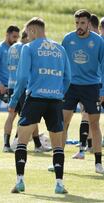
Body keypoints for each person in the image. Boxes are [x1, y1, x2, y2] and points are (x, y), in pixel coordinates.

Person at [8, 17, 71, 194]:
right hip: (55, 101)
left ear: (34, 31)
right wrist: (59, 93)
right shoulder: (60, 48)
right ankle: (59, 184)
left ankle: (20, 181)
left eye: (27, 33)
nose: (26, 37)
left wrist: (14, 100)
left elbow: (21, 79)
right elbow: (68, 78)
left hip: (35, 99)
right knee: (57, 144)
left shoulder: (28, 48)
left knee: (22, 141)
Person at [61, 9, 104, 173]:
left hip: (91, 87)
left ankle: (98, 163)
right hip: (70, 87)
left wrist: (103, 89)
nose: (79, 26)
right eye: (77, 23)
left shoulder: (98, 41)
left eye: (82, 23)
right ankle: (59, 160)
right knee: (63, 123)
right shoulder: (68, 39)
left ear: (89, 24)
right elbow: (62, 63)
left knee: (94, 124)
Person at [7, 31, 51, 153]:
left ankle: (7, 144)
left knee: (13, 115)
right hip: (23, 86)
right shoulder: (26, 48)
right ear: (27, 37)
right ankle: (19, 141)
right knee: (29, 116)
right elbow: (25, 71)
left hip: (11, 84)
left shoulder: (12, 48)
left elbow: (8, 65)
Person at [72, 13, 101, 159]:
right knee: (86, 116)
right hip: (91, 86)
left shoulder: (98, 41)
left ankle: (85, 148)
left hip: (97, 86)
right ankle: (85, 147)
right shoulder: (78, 39)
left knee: (89, 118)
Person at [0, 25, 20, 152]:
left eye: (17, 37)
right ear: (7, 35)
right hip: (2, 87)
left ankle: (17, 142)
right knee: (14, 112)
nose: (16, 39)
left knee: (21, 112)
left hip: (14, 87)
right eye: (14, 37)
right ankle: (8, 144)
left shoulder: (16, 49)